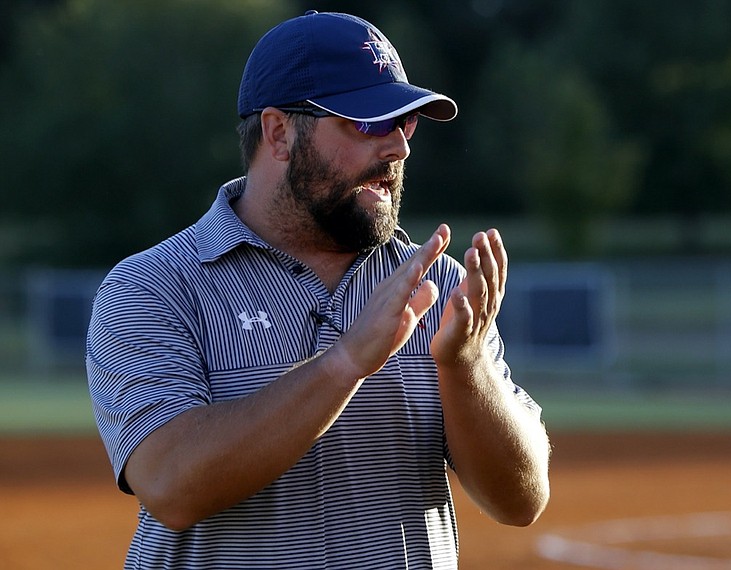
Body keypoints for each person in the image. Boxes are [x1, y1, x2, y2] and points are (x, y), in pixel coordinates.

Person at [87, 10, 550, 570]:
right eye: (367, 123)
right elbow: (171, 483)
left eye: (405, 125)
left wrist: (465, 366)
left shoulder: (439, 286)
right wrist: (346, 361)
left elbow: (522, 500)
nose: (398, 149)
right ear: (279, 133)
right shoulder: (154, 286)